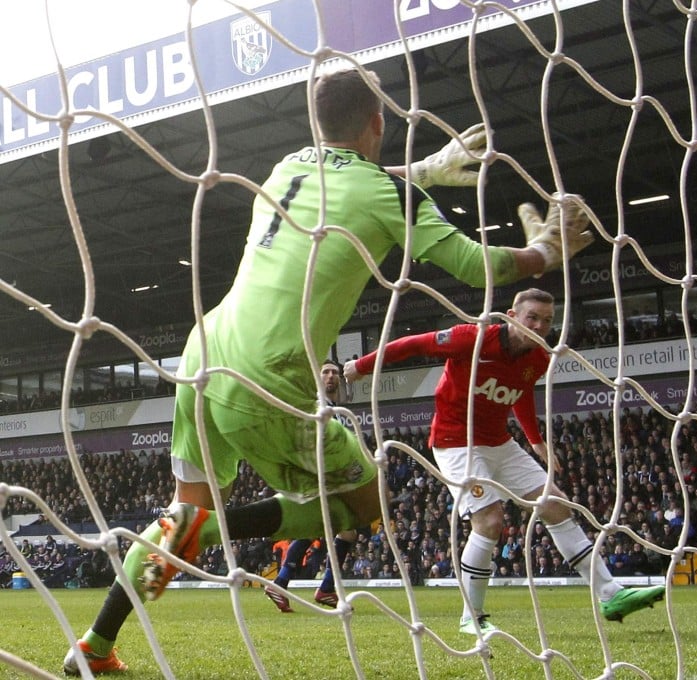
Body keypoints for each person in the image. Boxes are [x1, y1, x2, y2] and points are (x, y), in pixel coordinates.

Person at [63, 68, 594, 675]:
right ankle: (199, 533)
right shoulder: (390, 195)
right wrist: (545, 253)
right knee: (363, 505)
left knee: (181, 515)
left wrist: (426, 169)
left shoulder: (287, 165)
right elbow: (476, 268)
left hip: (203, 352)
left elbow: (350, 187)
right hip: (268, 374)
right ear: (378, 123)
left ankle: (95, 646)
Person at [344, 288, 665, 636]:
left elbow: (521, 392)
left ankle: (611, 594)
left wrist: (535, 440)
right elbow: (413, 344)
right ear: (512, 316)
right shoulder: (472, 338)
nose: (540, 326)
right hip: (456, 443)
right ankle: (472, 615)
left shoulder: (540, 356)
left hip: (499, 442)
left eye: (546, 320)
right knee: (490, 521)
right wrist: (361, 367)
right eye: (532, 317)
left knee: (555, 504)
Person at [265, 360, 358, 613]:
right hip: (319, 474)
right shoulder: (317, 406)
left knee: (336, 530)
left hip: (329, 475)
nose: (330, 376)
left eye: (334, 373)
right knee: (340, 531)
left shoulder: (335, 409)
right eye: (326, 372)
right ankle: (318, 588)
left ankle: (289, 584)